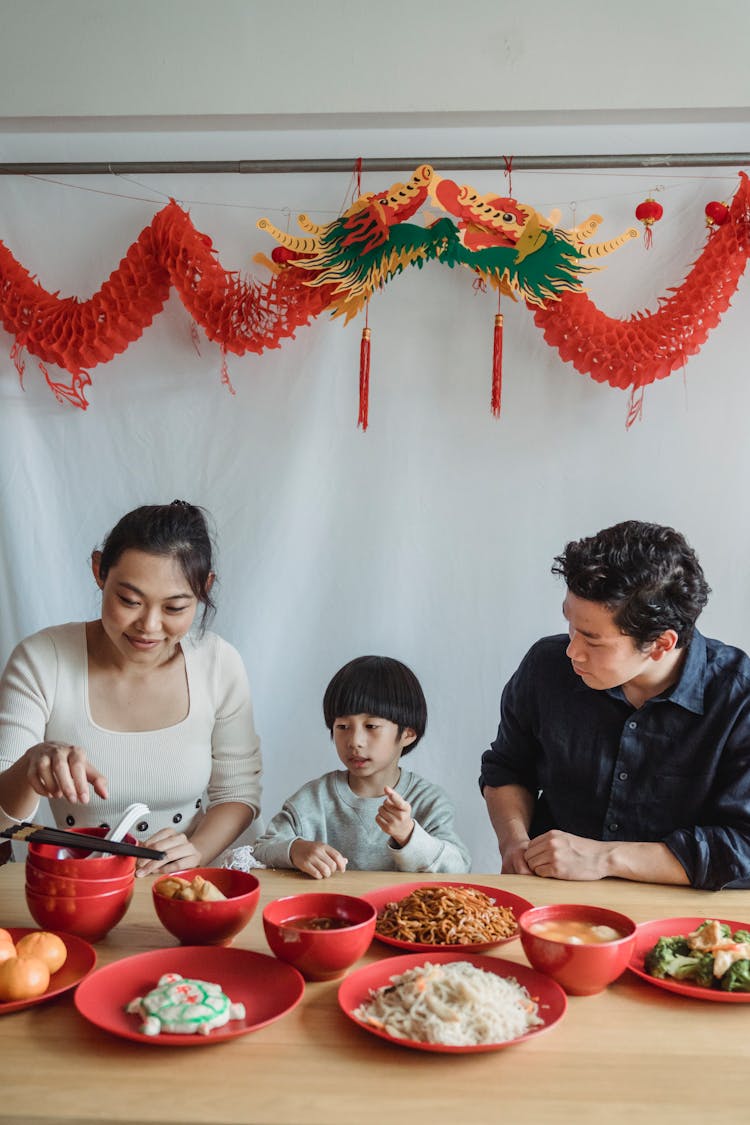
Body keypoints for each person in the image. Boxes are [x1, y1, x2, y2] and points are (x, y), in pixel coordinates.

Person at [480, 519, 750, 891]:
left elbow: (743, 847)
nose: (572, 650)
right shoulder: (546, 666)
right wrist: (514, 842)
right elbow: (507, 769)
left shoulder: (739, 697)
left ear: (661, 644)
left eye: (592, 640)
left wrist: (605, 857)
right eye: (570, 625)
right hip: (556, 900)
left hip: (690, 915)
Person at [0, 501, 262, 875]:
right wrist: (32, 764)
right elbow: (1, 823)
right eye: (130, 601)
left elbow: (237, 793)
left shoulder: (218, 663)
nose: (149, 626)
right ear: (98, 571)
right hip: (83, 885)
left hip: (190, 883)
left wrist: (196, 850)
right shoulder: (42, 660)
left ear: (205, 588)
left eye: (174, 608)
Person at [248, 655, 471, 877]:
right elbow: (260, 850)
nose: (355, 741)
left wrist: (408, 834)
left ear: (407, 734)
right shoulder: (313, 799)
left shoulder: (428, 801)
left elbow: (459, 867)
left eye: (371, 725)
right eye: (343, 726)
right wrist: (296, 850)